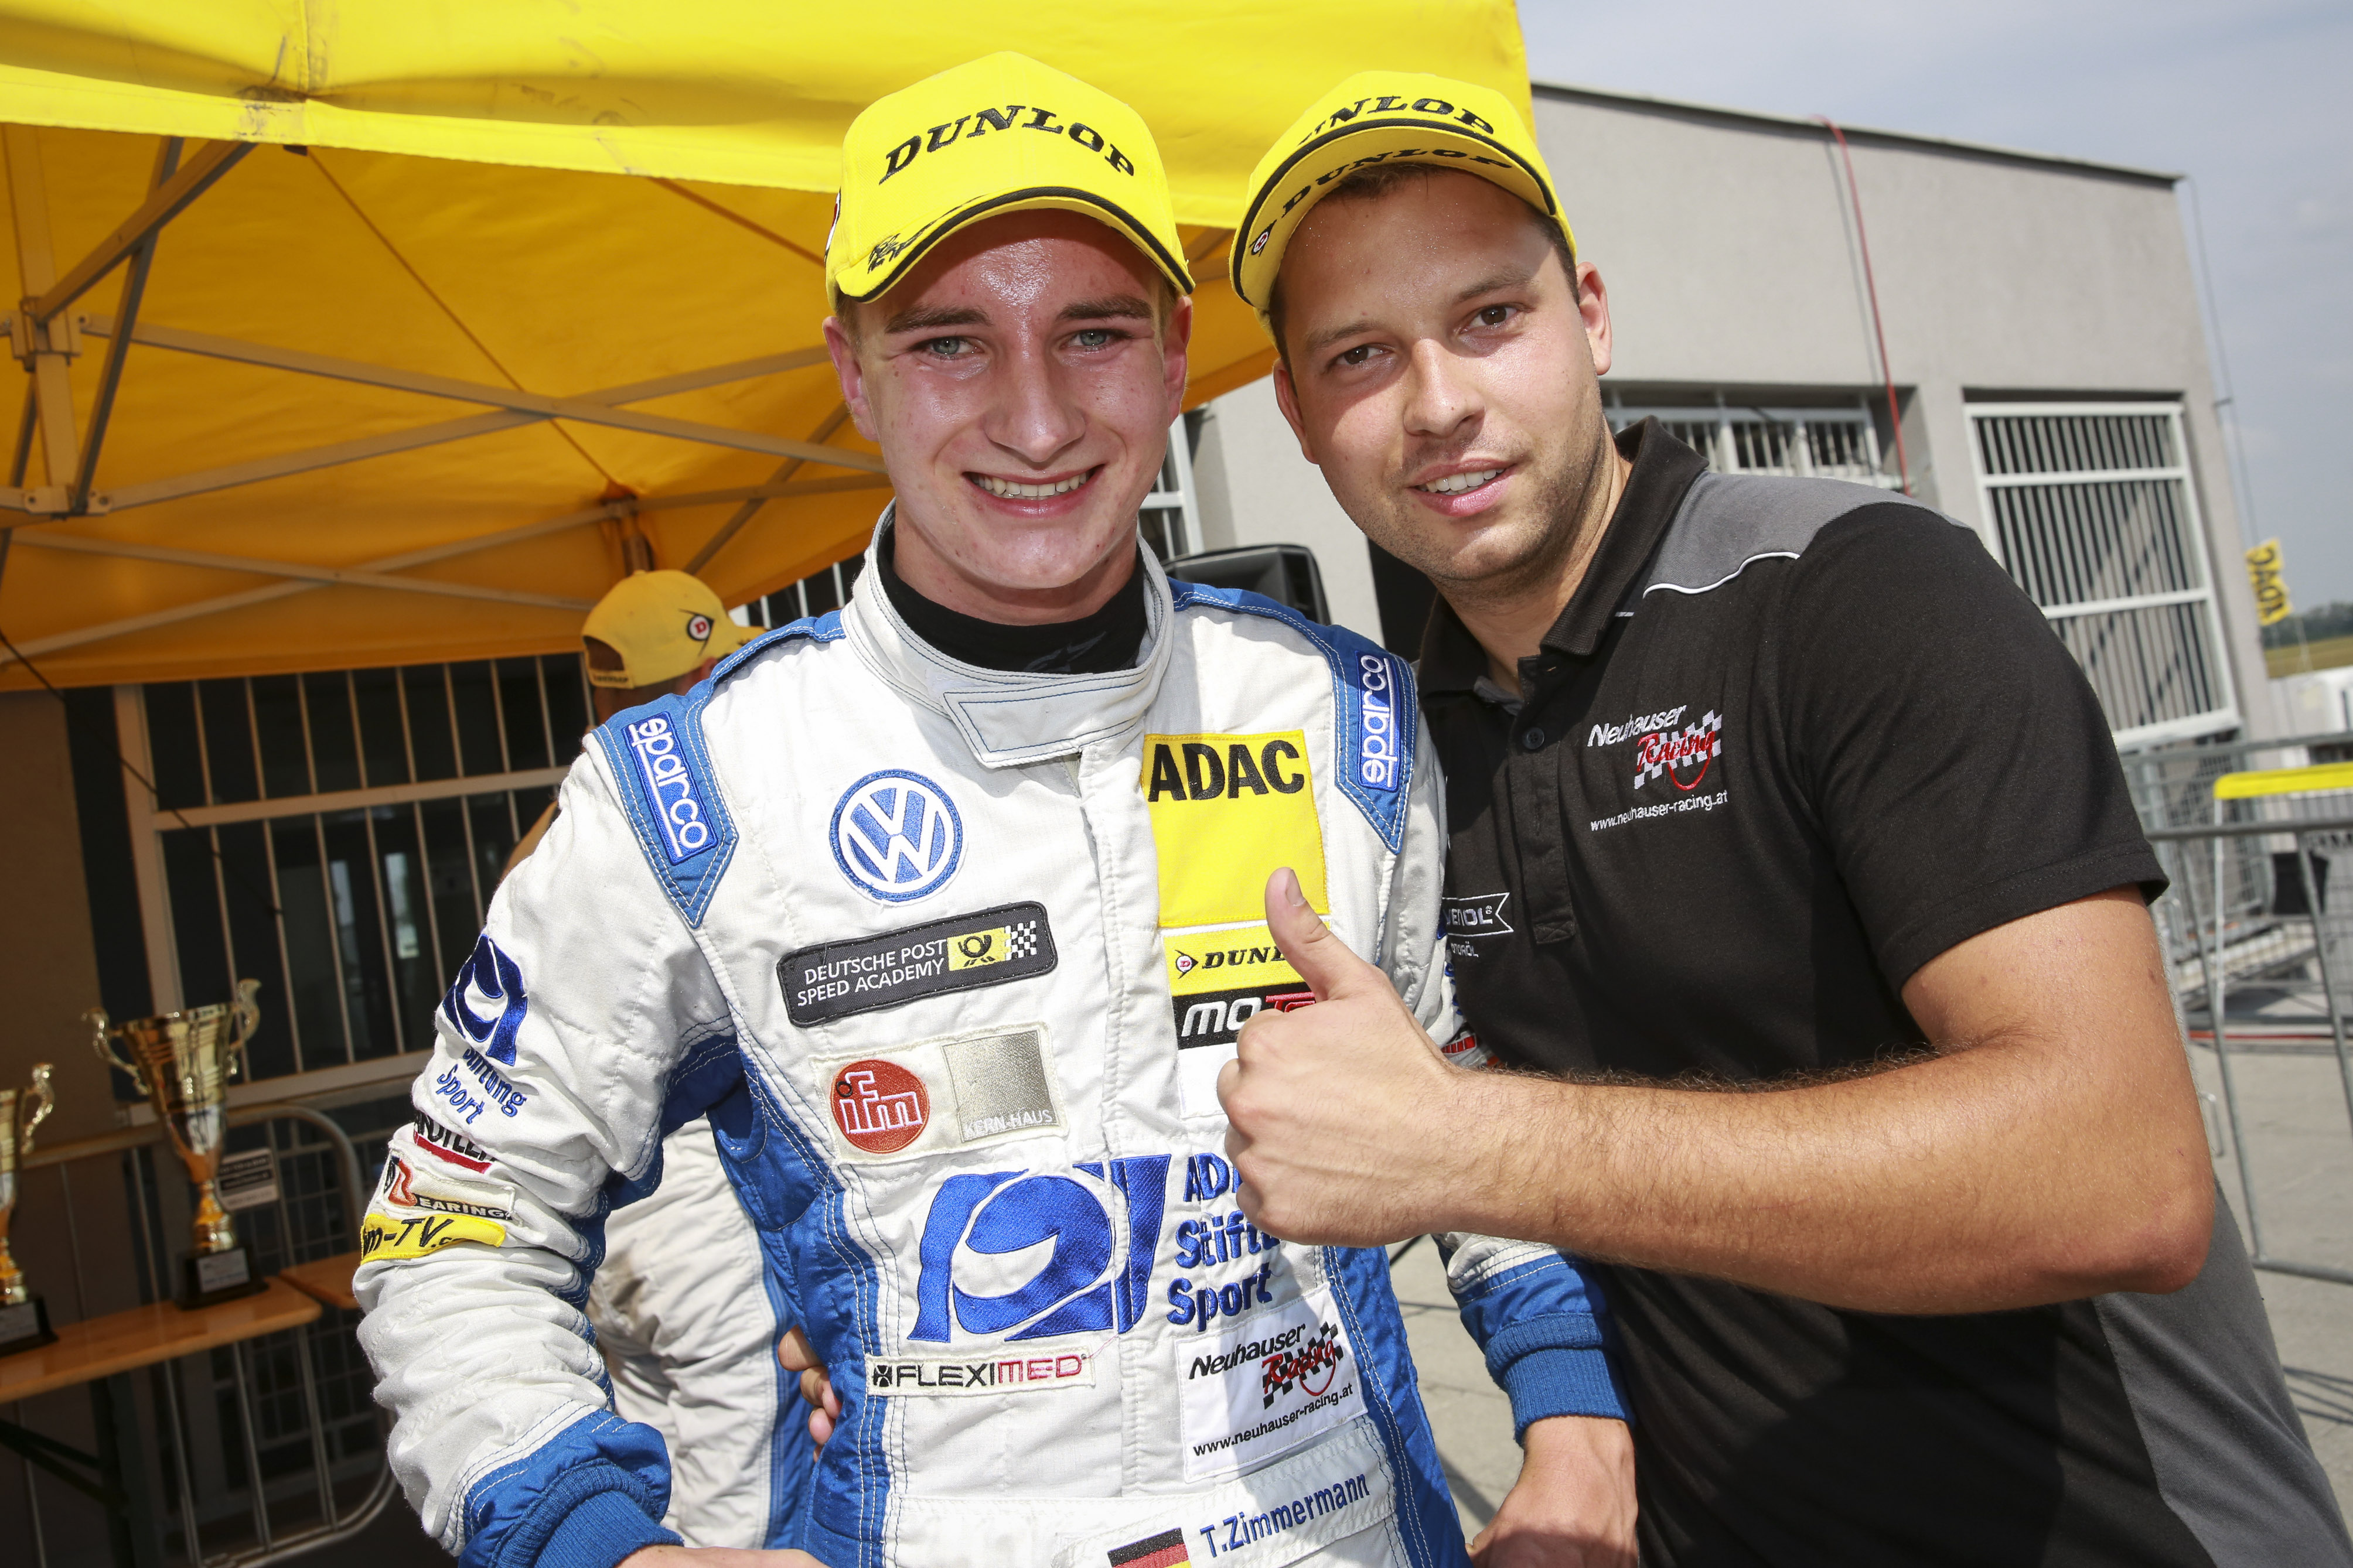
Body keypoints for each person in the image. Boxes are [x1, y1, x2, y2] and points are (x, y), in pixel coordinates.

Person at [356, 53, 1625, 1568]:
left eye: (1093, 332)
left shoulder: (1333, 710)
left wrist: (1576, 1414)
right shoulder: (694, 787)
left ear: (1172, 353)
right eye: (951, 340)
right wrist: (597, 1540)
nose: (1035, 417)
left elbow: (1475, 1082)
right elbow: (457, 1219)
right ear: (852, 370)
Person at [1215, 73, 2353, 1566]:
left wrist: (1473, 1147)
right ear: (1297, 414)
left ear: (1592, 320)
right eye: (1361, 354)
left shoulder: (1855, 592)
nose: (1438, 403)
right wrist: (1577, 1430)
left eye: (1489, 316)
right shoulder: (1404, 750)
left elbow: (2119, 1172)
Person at [489, 568, 811, 1551]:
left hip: (602, 1229)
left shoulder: (561, 830)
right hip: (697, 1214)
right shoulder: (703, 819)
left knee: (658, 1516)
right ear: (700, 678)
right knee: (742, 1525)